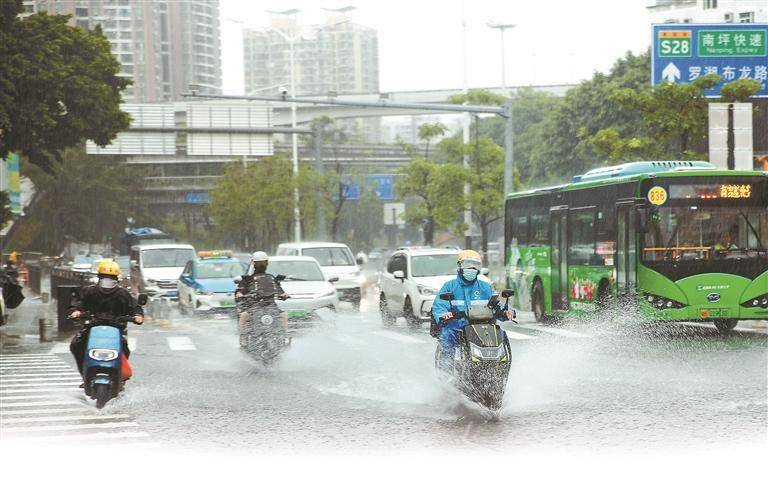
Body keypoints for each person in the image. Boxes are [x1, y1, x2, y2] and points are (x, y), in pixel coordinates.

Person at [431, 250, 516, 372]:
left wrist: (507, 312)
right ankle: (446, 373)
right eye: (467, 265)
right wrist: (444, 314)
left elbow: (496, 304)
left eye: (475, 265)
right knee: (447, 337)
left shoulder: (485, 287)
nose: (471, 269)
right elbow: (439, 306)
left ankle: (498, 370)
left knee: (500, 335)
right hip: (456, 327)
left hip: (481, 327)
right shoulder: (449, 286)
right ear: (459, 266)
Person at [68, 260, 143, 382]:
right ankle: (85, 374)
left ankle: (119, 377)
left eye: (111, 280)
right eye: (104, 280)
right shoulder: (89, 291)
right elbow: (78, 303)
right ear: (99, 279)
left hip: (116, 328)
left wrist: (137, 315)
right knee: (76, 345)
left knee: (124, 349)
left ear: (116, 280)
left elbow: (134, 307)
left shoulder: (123, 294)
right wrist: (76, 311)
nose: (107, 284)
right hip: (92, 326)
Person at [235, 251, 288, 346]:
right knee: (243, 316)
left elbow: (279, 290)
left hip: (271, 306)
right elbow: (240, 290)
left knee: (284, 315)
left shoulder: (271, 278)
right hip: (253, 307)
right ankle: (243, 338)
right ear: (253, 263)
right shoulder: (248, 279)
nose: (261, 265)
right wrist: (239, 294)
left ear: (267, 263)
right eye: (259, 263)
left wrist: (284, 294)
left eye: (263, 263)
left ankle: (283, 337)